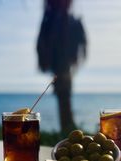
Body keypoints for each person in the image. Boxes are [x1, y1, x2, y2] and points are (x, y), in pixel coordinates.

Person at [36, 0, 87, 133]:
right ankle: (68, 131)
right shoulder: (52, 22)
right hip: (61, 69)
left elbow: (80, 47)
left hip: (63, 69)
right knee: (64, 98)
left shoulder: (58, 21)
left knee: (64, 98)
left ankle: (68, 132)